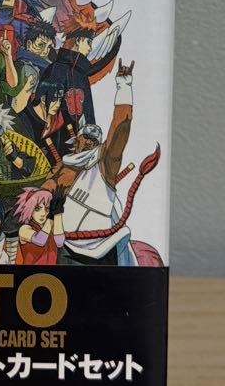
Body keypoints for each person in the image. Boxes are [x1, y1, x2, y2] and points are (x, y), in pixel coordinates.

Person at [56, 60, 138, 266]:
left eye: (93, 141)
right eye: (85, 138)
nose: (88, 143)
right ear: (76, 142)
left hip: (100, 252)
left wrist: (124, 87)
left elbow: (119, 130)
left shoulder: (103, 165)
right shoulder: (63, 168)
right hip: (65, 250)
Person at [14, 187, 65, 266]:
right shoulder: (24, 229)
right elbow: (40, 240)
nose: (43, 213)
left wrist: (58, 213)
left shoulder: (50, 224)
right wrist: (50, 217)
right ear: (29, 209)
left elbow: (60, 242)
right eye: (37, 209)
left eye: (47, 209)